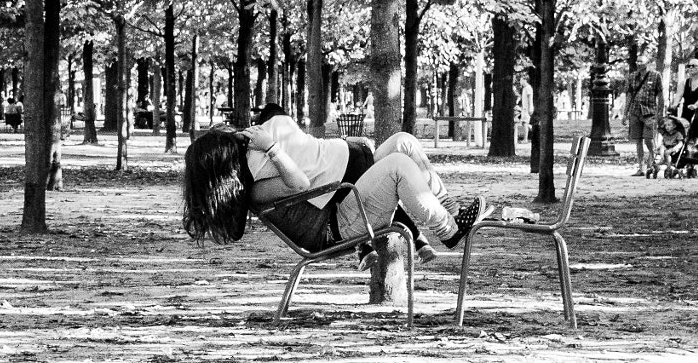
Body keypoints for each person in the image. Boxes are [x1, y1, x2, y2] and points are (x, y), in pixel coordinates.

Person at [182, 112, 485, 264]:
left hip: (342, 204)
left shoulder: (256, 176)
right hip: (336, 227)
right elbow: (299, 182)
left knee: (403, 142)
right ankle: (449, 230)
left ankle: (451, 210)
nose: (240, 142)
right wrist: (272, 147)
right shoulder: (256, 192)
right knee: (398, 166)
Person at [626, 55, 663, 176]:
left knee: (649, 140)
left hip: (650, 112)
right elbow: (629, 96)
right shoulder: (632, 77)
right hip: (635, 112)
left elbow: (661, 95)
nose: (638, 63)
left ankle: (652, 163)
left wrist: (660, 113)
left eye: (641, 61)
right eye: (637, 61)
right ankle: (641, 168)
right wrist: (625, 113)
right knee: (637, 141)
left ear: (648, 63)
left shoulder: (656, 75)